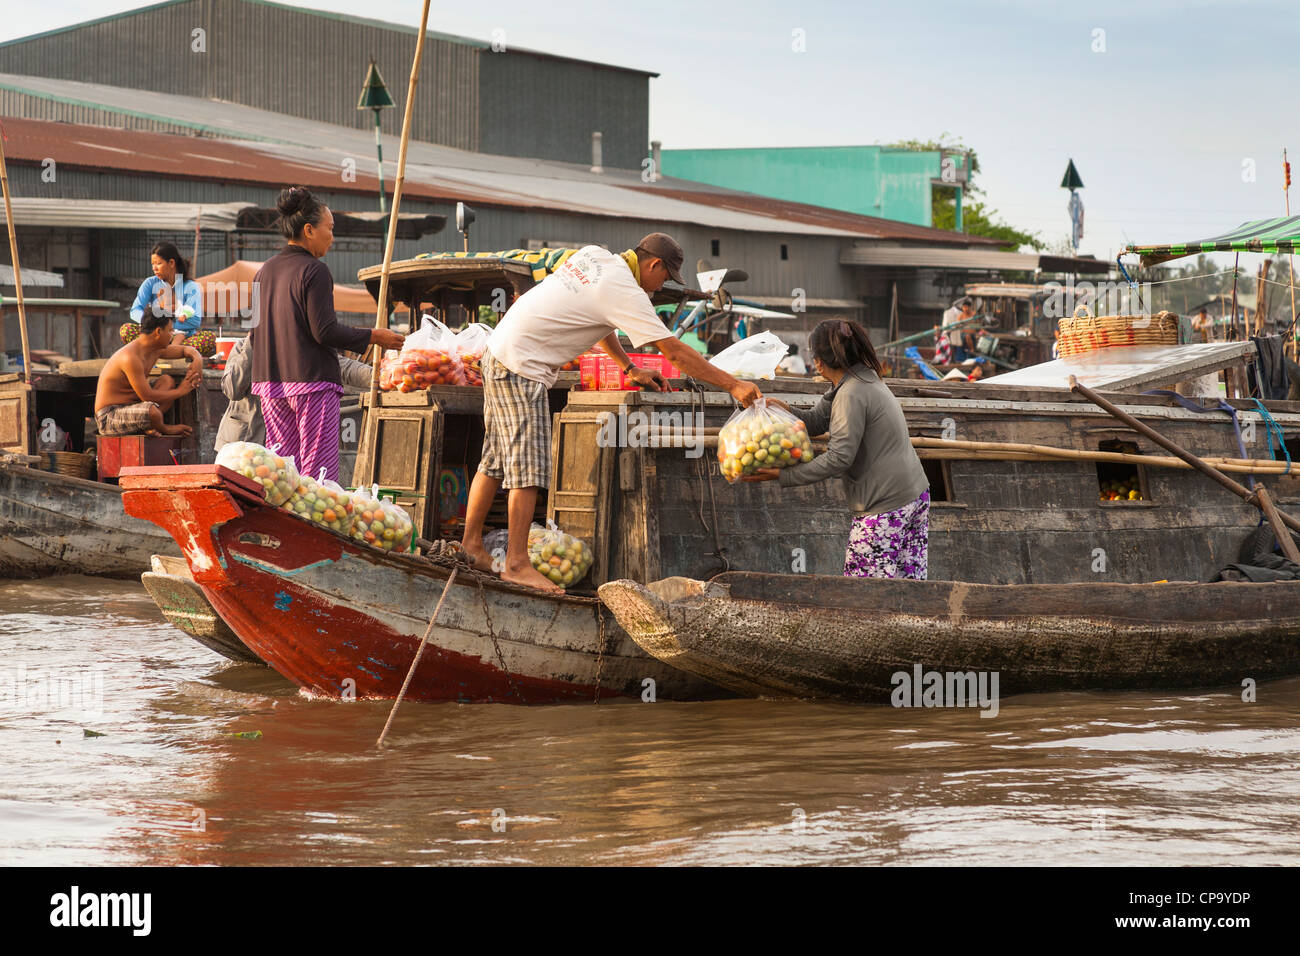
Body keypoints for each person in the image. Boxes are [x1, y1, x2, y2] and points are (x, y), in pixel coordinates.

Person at [460, 233, 763, 592]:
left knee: (494, 461)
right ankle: (516, 563)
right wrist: (733, 385)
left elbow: (600, 323)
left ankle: (471, 546)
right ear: (654, 265)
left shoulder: (596, 257)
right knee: (529, 470)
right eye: (663, 278)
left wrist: (629, 367)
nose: (659, 287)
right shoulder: (626, 289)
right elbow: (674, 353)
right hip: (522, 366)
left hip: (499, 355)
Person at [743, 318, 930, 580]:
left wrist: (783, 475)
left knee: (863, 592)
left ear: (819, 361)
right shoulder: (857, 379)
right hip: (913, 495)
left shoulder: (851, 393)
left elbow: (839, 458)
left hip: (886, 506)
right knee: (906, 589)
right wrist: (785, 410)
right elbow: (817, 421)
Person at [248, 186, 404, 482]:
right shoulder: (315, 270)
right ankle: (313, 527)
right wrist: (374, 335)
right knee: (317, 476)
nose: (333, 237)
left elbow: (255, 333)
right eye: (329, 229)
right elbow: (325, 331)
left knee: (282, 474)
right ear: (309, 230)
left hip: (270, 385)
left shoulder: (262, 272)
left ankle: (281, 530)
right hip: (312, 383)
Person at [214, 335, 374, 451]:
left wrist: (379, 376)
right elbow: (232, 389)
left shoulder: (304, 350)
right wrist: (253, 343)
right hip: (239, 446)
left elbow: (344, 367)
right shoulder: (244, 346)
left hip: (279, 449)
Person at [94, 309, 200, 437]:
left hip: (135, 408)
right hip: (109, 417)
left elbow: (184, 350)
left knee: (167, 381)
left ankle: (150, 424)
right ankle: (164, 428)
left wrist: (197, 358)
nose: (172, 335)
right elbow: (147, 397)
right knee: (152, 411)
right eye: (170, 331)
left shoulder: (155, 348)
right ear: (158, 332)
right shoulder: (130, 357)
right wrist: (180, 391)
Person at [127, 242, 204, 347]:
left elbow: (195, 320)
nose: (154, 268)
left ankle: (168, 349)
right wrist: (152, 324)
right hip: (154, 334)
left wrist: (167, 326)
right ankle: (166, 348)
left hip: (182, 336)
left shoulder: (190, 287)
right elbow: (135, 310)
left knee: (207, 339)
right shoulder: (150, 283)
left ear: (171, 263)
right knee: (127, 330)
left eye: (158, 263)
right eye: (152, 264)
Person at [937, 297, 976, 362]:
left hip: (972, 334)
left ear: (970, 307)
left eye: (967, 307)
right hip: (959, 334)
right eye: (964, 307)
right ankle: (971, 350)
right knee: (966, 338)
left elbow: (978, 323)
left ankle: (970, 355)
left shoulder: (974, 314)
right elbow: (953, 325)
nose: (965, 309)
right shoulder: (960, 315)